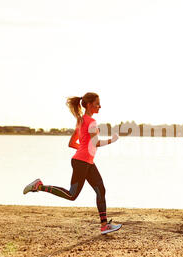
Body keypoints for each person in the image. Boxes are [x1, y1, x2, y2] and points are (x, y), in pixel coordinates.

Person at [23, 92, 121, 235]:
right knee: (72, 195)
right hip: (82, 162)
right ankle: (39, 186)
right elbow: (96, 143)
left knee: (101, 189)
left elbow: (72, 143)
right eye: (97, 104)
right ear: (89, 105)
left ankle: (104, 226)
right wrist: (112, 140)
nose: (100, 106)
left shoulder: (81, 121)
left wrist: (84, 150)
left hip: (86, 161)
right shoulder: (90, 122)